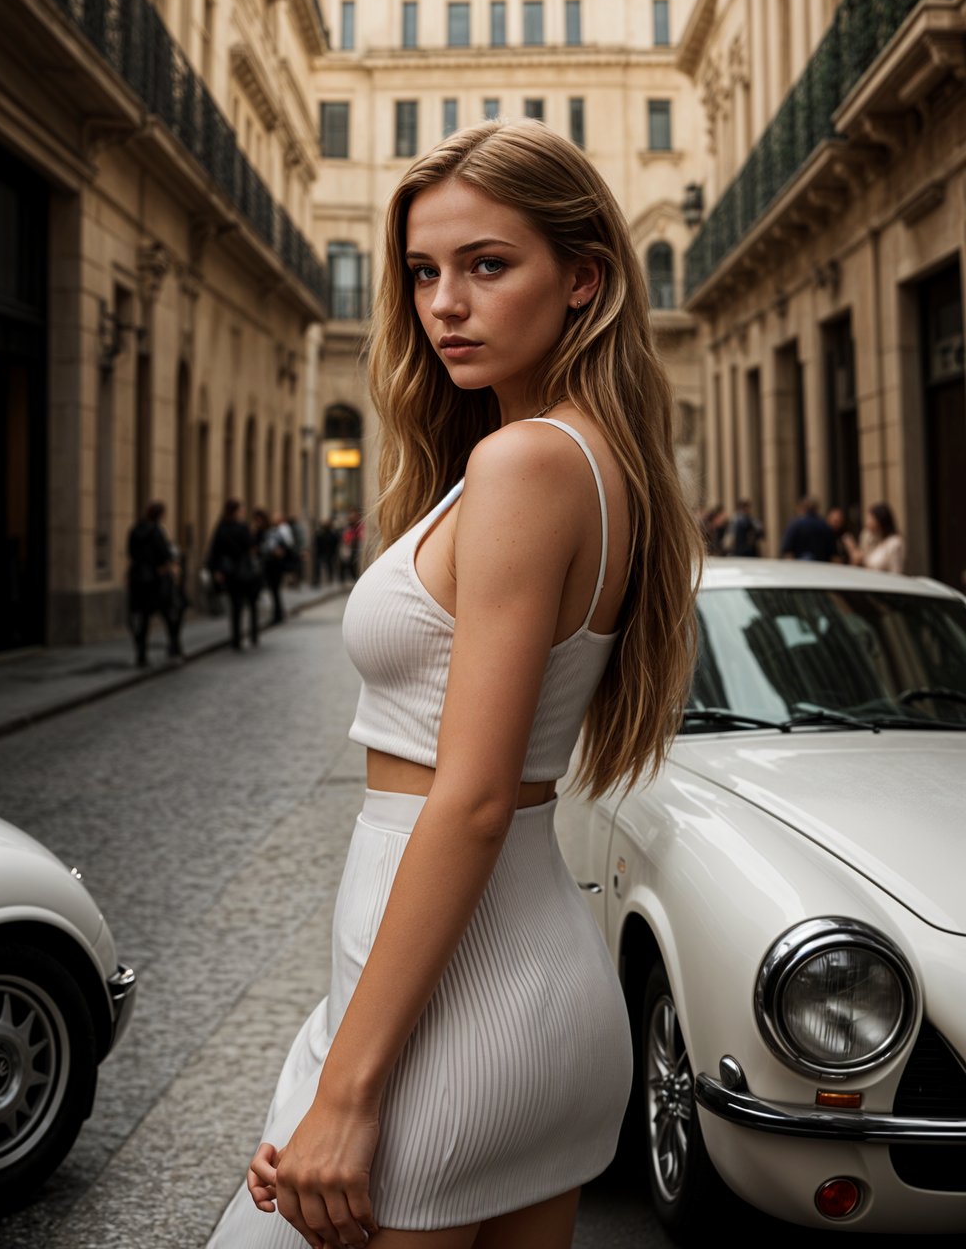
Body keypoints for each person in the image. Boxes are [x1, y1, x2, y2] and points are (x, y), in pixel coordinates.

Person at [207, 119, 700, 1249]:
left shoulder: (526, 462)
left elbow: (471, 798)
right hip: (518, 981)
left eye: (487, 265)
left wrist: (346, 1090)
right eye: (424, 271)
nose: (443, 304)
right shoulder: (586, 457)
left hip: (455, 1001)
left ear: (584, 279)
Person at [126, 500, 183, 665]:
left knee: (142, 618)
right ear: (160, 515)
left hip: (138, 579)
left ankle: (141, 654)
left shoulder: (135, 530)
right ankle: (174, 648)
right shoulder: (157, 531)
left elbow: (131, 552)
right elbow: (164, 553)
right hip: (157, 580)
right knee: (170, 614)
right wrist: (170, 567)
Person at [206, 499, 262, 650]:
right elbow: (252, 547)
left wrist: (216, 570)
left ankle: (236, 640)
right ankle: (254, 636)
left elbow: (214, 551)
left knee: (236, 606)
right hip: (245, 572)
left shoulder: (221, 527)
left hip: (230, 572)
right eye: (241, 509)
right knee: (252, 604)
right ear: (236, 511)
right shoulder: (243, 527)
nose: (243, 512)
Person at [254, 509, 294, 625]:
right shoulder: (262, 532)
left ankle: (278, 614)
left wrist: (279, 552)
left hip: (274, 566)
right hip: (267, 565)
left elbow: (286, 547)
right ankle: (276, 614)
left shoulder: (273, 532)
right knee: (272, 591)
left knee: (275, 590)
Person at [843, 502, 905, 574]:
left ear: (880, 521)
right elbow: (859, 561)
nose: (867, 522)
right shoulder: (872, 539)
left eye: (870, 519)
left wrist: (853, 549)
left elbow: (896, 572)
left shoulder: (894, 543)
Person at [779, 496, 839, 562]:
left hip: (799, 567)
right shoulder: (825, 526)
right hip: (821, 566)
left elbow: (786, 550)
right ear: (816, 509)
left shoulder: (795, 525)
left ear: (802, 508)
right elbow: (833, 553)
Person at [338, 508, 365, 581]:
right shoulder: (347, 526)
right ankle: (350, 578)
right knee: (347, 563)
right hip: (349, 546)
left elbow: (362, 535)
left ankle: (355, 578)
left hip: (358, 546)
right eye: (351, 516)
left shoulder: (360, 526)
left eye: (354, 516)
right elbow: (345, 536)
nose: (352, 518)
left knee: (355, 563)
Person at [314, 518, 339, 584]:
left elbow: (336, 542)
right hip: (322, 552)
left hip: (329, 553)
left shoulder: (332, 533)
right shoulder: (320, 534)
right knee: (320, 566)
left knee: (329, 566)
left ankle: (329, 578)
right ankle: (318, 579)